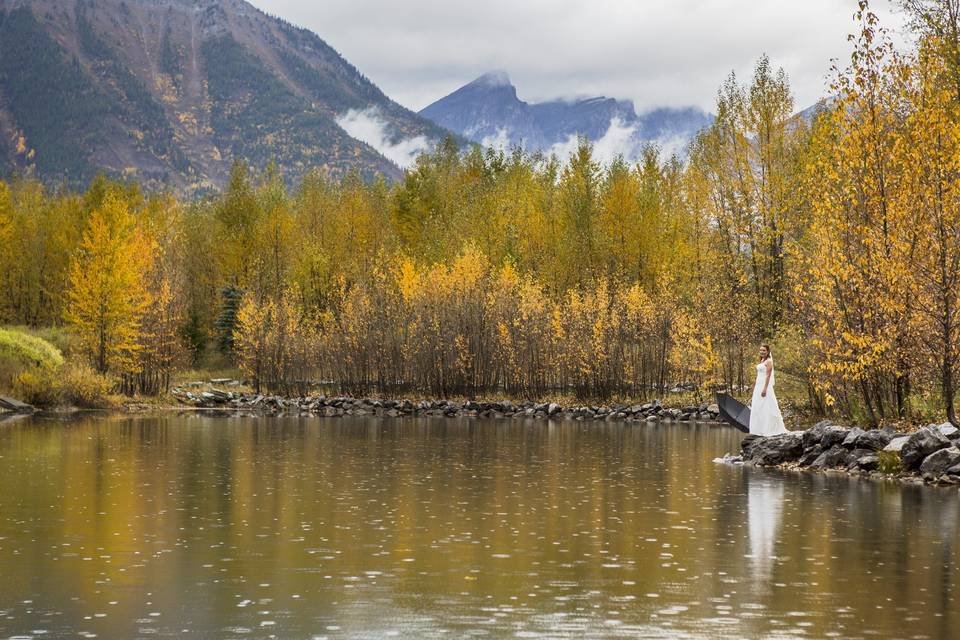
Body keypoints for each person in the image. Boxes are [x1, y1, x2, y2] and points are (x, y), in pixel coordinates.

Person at [749, 344, 787, 436]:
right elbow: (759, 375)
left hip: (764, 385)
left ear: (768, 351)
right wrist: (754, 385)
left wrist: (765, 389)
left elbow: (768, 376)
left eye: (764, 350)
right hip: (758, 385)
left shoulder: (769, 361)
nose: (762, 352)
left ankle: (768, 428)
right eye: (761, 350)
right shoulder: (762, 360)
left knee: (766, 406)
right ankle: (758, 429)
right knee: (758, 407)